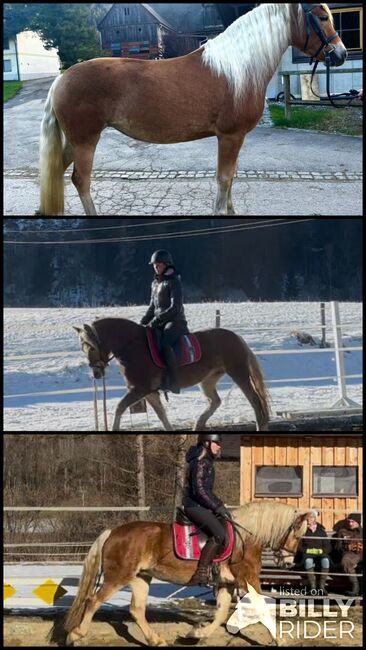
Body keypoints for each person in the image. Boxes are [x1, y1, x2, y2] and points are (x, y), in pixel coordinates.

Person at [182, 433, 232, 586]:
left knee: (225, 523)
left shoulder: (206, 462)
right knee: (219, 534)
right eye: (216, 443)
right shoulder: (201, 463)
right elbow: (199, 490)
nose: (219, 446)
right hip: (194, 506)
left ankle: (216, 567)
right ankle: (201, 572)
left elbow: (207, 492)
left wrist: (220, 505)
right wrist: (216, 506)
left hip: (201, 504)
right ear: (206, 443)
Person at [140, 250, 188, 394]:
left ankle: (172, 381)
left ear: (167, 265)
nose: (156, 267)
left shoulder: (174, 282)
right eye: (154, 265)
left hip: (175, 322)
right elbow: (152, 307)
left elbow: (175, 307)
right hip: (159, 322)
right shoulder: (155, 283)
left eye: (158, 264)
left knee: (165, 342)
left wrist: (156, 320)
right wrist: (142, 324)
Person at [296, 510, 331, 595]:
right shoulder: (303, 530)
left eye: (311, 517)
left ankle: (322, 587)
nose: (308, 520)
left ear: (315, 519)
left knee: (326, 561)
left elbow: (328, 546)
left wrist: (322, 551)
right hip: (307, 554)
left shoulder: (321, 531)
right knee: (308, 562)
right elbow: (299, 546)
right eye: (307, 518)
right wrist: (306, 550)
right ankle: (312, 588)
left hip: (320, 554)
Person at [333, 512, 363, 596]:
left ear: (358, 522)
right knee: (345, 561)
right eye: (349, 521)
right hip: (350, 554)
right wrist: (346, 547)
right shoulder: (343, 532)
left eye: (353, 522)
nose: (350, 523)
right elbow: (337, 547)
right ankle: (355, 587)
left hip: (361, 554)